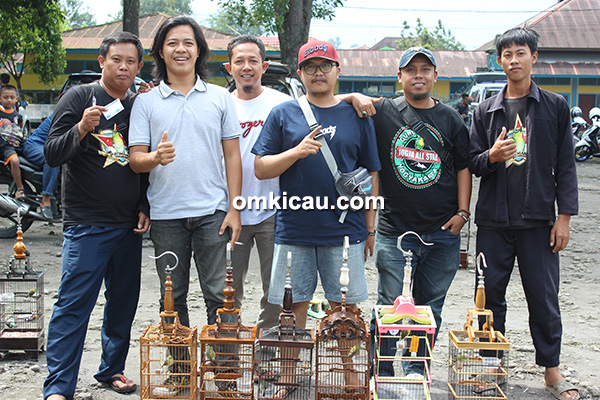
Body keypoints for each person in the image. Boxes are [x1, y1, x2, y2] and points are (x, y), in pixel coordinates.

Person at [252, 39, 380, 396]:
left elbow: (372, 173)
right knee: (292, 306)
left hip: (346, 230)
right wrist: (295, 151)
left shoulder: (357, 114)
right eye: (311, 67)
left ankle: (351, 371)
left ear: (338, 71)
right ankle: (291, 372)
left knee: (347, 307)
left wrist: (370, 226)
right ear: (300, 74)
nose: (318, 72)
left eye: (325, 66)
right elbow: (261, 168)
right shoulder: (284, 114)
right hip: (294, 227)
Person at [342, 46, 471, 378]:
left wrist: (463, 213)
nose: (418, 75)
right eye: (410, 70)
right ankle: (381, 367)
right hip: (393, 229)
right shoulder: (385, 111)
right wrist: (354, 95)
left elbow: (463, 168)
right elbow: (336, 99)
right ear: (399, 77)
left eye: (425, 69)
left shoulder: (451, 118)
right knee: (388, 304)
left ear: (435, 77)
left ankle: (416, 367)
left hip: (442, 231)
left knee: (430, 307)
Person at [469, 28, 579, 400]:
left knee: (543, 298)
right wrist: (491, 156)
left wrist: (564, 217)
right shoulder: (485, 111)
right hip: (493, 223)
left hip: (538, 222)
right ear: (499, 60)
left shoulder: (554, 107)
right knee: (488, 297)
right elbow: (471, 162)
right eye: (506, 54)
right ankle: (490, 368)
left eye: (520, 53)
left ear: (534, 56)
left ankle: (551, 371)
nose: (513, 60)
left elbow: (566, 165)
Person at [42, 31, 150, 400]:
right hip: (87, 223)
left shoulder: (138, 105)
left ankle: (111, 370)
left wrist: (144, 206)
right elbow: (52, 154)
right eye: (116, 59)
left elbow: (143, 164)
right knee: (73, 305)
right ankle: (58, 388)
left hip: (127, 225)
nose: (123, 67)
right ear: (102, 61)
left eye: (130, 61)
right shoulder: (79, 97)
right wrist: (82, 127)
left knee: (123, 302)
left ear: (138, 67)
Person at [129, 13, 241, 339]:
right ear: (161, 52)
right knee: (172, 300)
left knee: (221, 297)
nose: (181, 49)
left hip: (213, 213)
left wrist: (234, 208)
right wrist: (155, 157)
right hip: (165, 216)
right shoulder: (146, 102)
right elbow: (136, 160)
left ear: (199, 51)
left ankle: (224, 375)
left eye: (188, 43)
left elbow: (232, 156)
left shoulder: (220, 97)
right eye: (172, 43)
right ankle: (181, 375)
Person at [224, 35, 288, 333]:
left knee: (275, 290)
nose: (246, 67)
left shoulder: (283, 104)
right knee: (226, 290)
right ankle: (228, 358)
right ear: (229, 67)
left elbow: (323, 103)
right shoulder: (219, 105)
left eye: (253, 61)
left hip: (272, 211)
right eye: (239, 61)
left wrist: (353, 97)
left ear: (264, 66)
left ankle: (266, 353)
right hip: (227, 211)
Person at [22, 113, 60, 219]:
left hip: (49, 146)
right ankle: (46, 198)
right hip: (35, 145)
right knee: (52, 158)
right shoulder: (63, 115)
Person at [0, 84, 26, 199]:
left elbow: (20, 129)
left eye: (12, 97)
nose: (9, 100)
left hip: (19, 144)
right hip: (6, 146)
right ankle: (20, 188)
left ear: (16, 98)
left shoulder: (18, 116)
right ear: (0, 98)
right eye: (5, 97)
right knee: (15, 161)